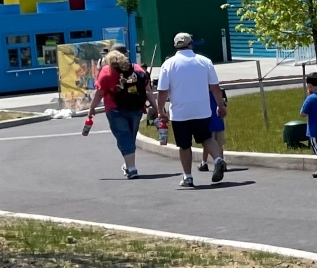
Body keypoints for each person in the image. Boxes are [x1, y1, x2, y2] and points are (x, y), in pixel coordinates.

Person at [154, 32, 224, 189]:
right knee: (206, 137)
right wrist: (220, 105)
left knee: (184, 145)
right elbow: (215, 87)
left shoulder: (168, 64)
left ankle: (188, 177)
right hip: (202, 110)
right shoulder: (204, 61)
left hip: (180, 113)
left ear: (175, 46)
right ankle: (218, 159)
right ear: (191, 44)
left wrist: (161, 111)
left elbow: (162, 91)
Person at [93, 46, 153, 178]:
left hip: (115, 109)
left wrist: (92, 108)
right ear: (125, 55)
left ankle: (131, 168)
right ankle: (128, 164)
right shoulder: (136, 68)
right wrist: (157, 108)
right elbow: (148, 91)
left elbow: (100, 93)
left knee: (123, 136)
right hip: (136, 108)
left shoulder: (106, 70)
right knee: (130, 137)